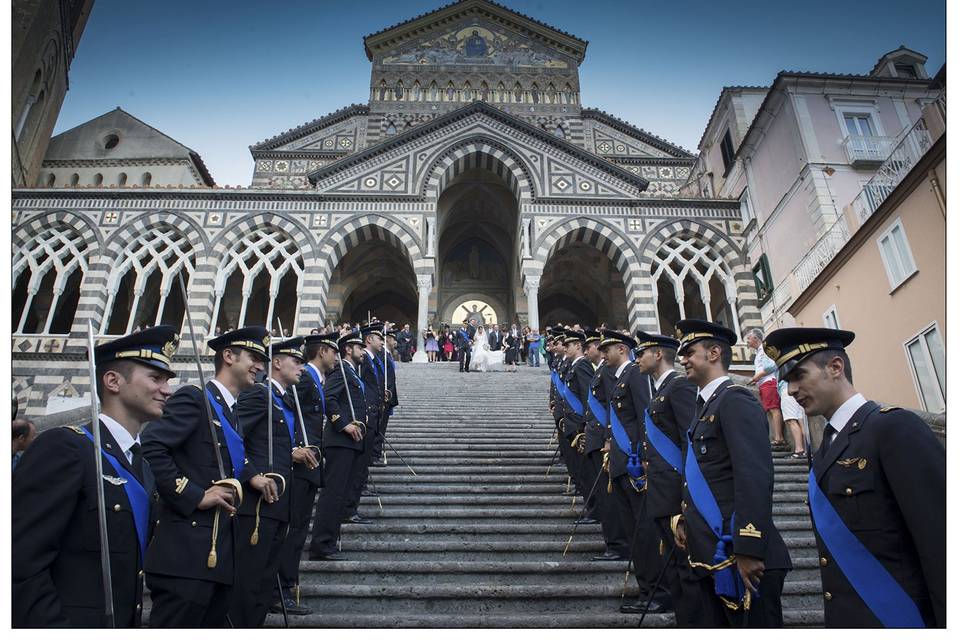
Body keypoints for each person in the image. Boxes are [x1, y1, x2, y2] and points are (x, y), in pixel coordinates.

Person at [764, 327, 945, 628]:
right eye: (787, 381)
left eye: (799, 376)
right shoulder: (825, 450)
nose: (792, 390)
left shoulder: (893, 428)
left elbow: (942, 542)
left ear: (836, 367)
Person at [13, 325, 178, 627]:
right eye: (155, 378)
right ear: (113, 381)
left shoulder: (141, 464)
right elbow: (20, 562)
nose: (167, 390)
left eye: (167, 380)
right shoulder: (65, 447)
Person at [140, 326, 269, 627]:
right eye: (253, 357)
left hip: (218, 553)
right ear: (228, 356)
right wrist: (195, 495)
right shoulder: (194, 398)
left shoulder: (231, 413)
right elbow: (151, 447)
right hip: (186, 554)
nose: (260, 367)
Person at [674, 319, 792, 627]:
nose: (682, 358)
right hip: (713, 551)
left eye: (689, 351)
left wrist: (749, 547)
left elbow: (754, 475)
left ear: (714, 353)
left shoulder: (735, 399)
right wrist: (686, 518)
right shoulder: (704, 406)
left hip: (741, 556)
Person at [230, 336, 307, 627]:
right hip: (257, 506)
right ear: (277, 363)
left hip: (279, 505)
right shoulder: (259, 394)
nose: (301, 368)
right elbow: (234, 438)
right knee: (249, 581)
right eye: (296, 362)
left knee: (263, 583)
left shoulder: (282, 398)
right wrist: (251, 475)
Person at [598, 329, 671, 615]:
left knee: (645, 533)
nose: (603, 354)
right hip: (620, 462)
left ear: (621, 349)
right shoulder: (621, 378)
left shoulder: (634, 376)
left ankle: (658, 591)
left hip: (634, 464)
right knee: (635, 533)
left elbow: (645, 417)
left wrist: (642, 456)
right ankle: (647, 589)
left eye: (608, 349)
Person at [632, 331, 700, 624]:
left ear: (658, 354)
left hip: (675, 493)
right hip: (660, 488)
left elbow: (690, 441)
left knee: (685, 568)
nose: (637, 359)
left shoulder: (679, 386)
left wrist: (687, 496)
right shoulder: (660, 390)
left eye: (642, 353)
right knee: (673, 565)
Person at [274, 331, 338, 616]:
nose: (336, 357)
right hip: (297, 467)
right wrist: (292, 449)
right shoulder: (306, 380)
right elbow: (283, 414)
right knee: (292, 531)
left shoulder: (313, 379)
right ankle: (280, 589)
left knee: (298, 530)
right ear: (323, 351)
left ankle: (284, 586)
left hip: (308, 466)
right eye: (333, 351)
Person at [309, 329, 367, 560]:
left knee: (340, 494)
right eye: (359, 348)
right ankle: (321, 544)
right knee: (333, 494)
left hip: (351, 443)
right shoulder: (341, 371)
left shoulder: (352, 372)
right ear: (348, 350)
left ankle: (329, 542)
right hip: (340, 441)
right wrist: (343, 425)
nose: (363, 351)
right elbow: (329, 399)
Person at [745, 328, 787, 449]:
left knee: (774, 409)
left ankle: (779, 437)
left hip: (769, 382)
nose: (747, 341)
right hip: (764, 383)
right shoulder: (760, 351)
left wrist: (755, 377)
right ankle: (778, 437)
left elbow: (771, 366)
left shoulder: (764, 349)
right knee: (771, 409)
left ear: (756, 338)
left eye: (749, 338)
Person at [779, 379, 807, 458]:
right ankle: (806, 451)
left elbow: (770, 367)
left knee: (792, 421)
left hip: (787, 390)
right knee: (801, 422)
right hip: (798, 389)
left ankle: (799, 449)